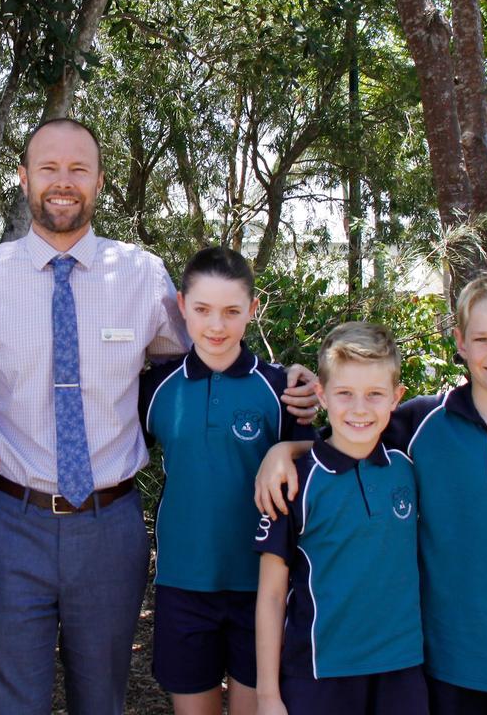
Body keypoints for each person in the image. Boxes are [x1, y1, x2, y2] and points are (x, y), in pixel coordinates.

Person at [0, 118, 316, 714]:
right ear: (24, 177)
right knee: (13, 701)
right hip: (14, 520)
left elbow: (202, 357)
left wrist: (290, 383)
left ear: (99, 181)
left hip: (110, 526)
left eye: (78, 169)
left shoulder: (141, 276)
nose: (63, 182)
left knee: (102, 699)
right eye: (49, 168)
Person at [255, 275, 487, 715]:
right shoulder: (421, 424)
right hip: (438, 665)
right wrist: (283, 450)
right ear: (460, 342)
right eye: (483, 339)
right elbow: (351, 440)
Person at [138, 246, 308, 715]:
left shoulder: (281, 390)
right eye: (203, 310)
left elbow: (322, 461)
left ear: (253, 310)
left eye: (232, 311)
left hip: (261, 587)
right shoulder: (154, 389)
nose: (217, 325)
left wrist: (286, 446)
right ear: (181, 306)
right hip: (183, 581)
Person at [253, 322, 425, 715]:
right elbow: (272, 595)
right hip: (319, 672)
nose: (360, 408)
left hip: (401, 669)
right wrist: (267, 694)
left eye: (375, 395)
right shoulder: (294, 481)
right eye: (344, 393)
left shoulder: (410, 465)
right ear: (322, 395)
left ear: (396, 397)